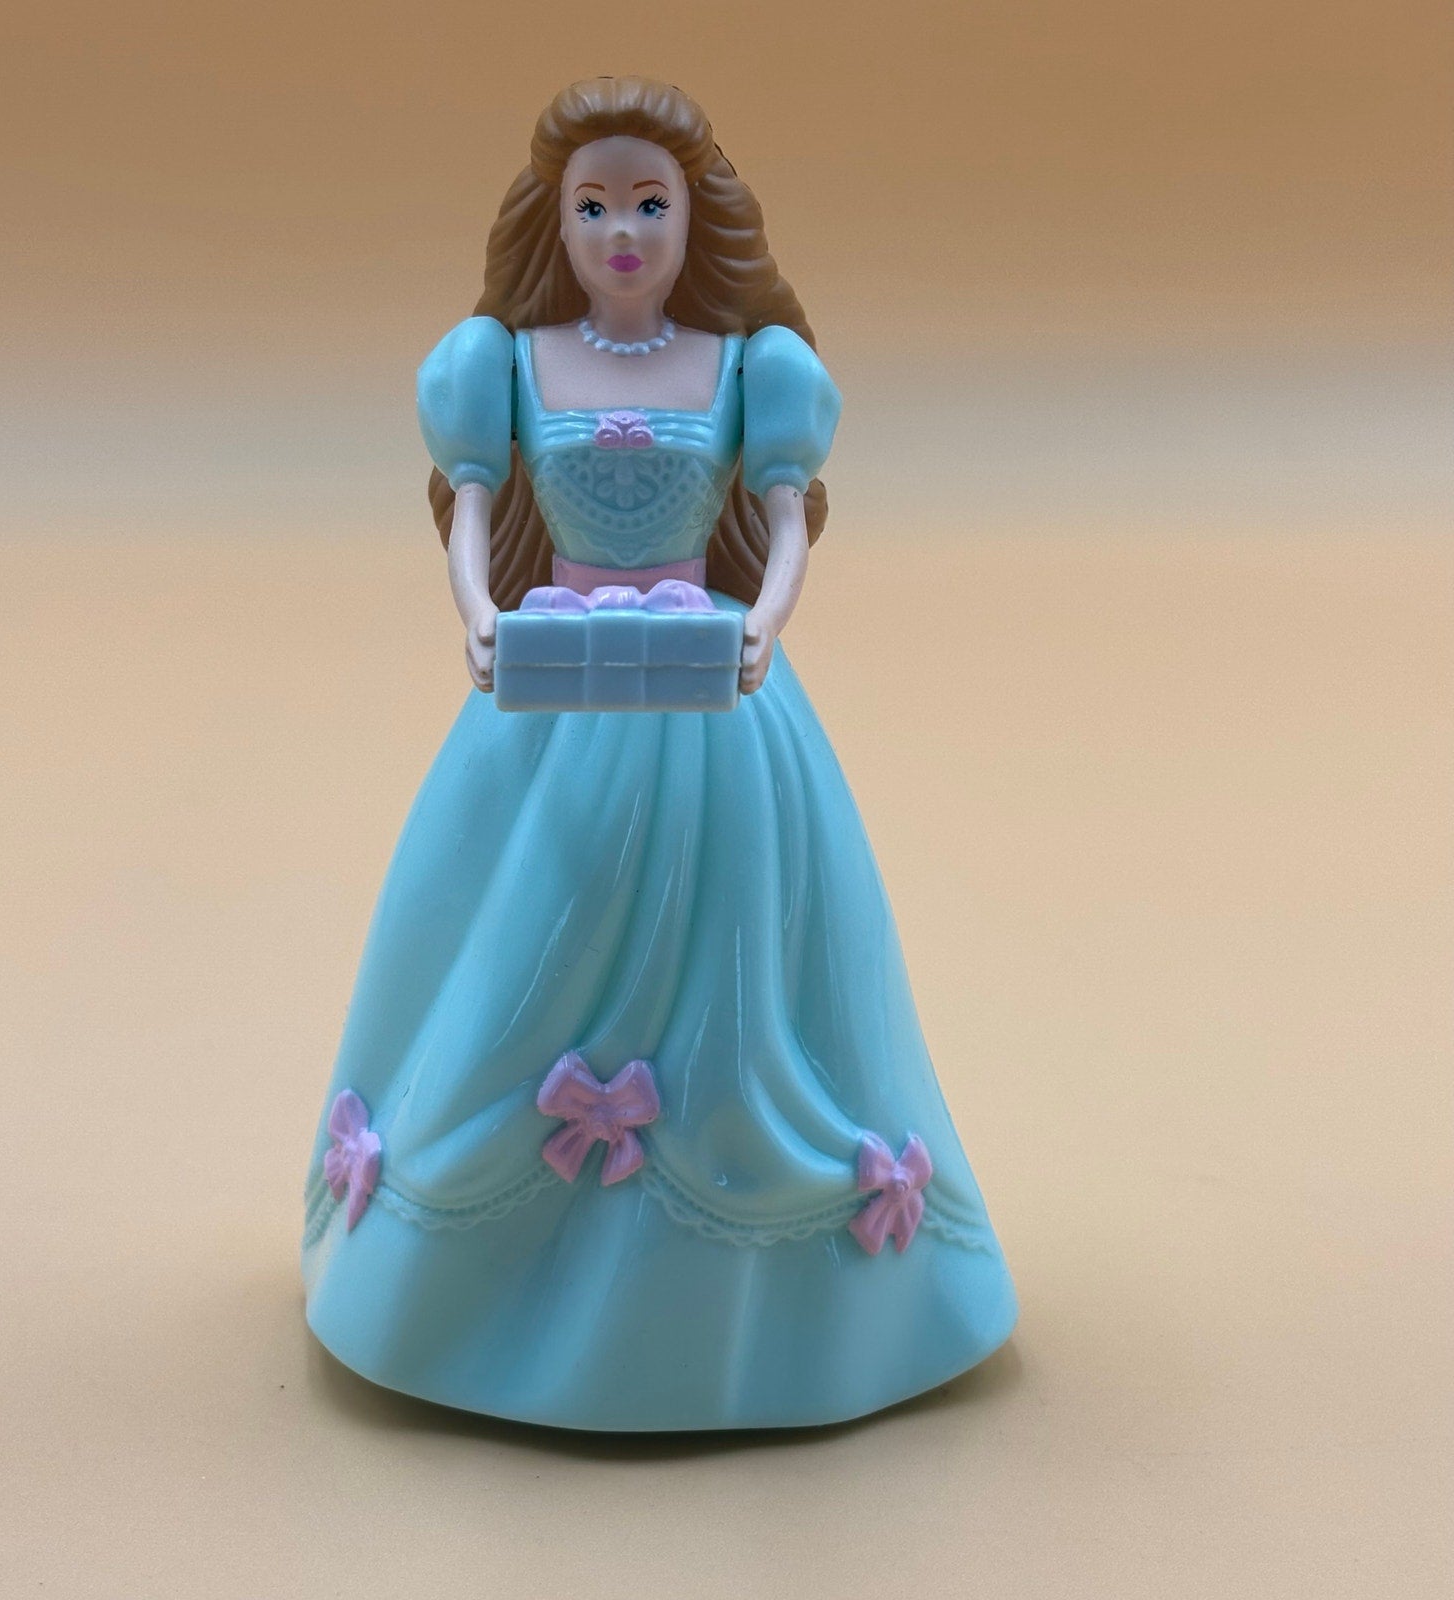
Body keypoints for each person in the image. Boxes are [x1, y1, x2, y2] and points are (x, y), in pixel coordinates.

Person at [303, 75, 1017, 1430]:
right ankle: (481, 1289)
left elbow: (787, 521)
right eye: (594, 207)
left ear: (695, 218)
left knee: (735, 961)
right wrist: (479, 614)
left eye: (648, 204)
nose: (622, 233)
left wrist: (762, 623)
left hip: (712, 704)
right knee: (524, 945)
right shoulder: (502, 362)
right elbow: (472, 509)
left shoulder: (749, 368)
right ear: (556, 223)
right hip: (554, 696)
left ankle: (754, 1302)